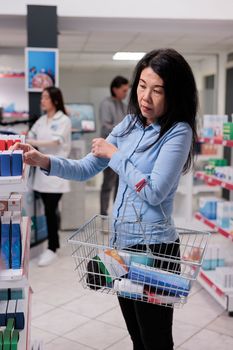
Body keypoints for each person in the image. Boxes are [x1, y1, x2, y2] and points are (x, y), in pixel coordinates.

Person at [13, 48, 197, 349]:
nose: (145, 98)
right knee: (138, 336)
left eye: (157, 90)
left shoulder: (178, 132)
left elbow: (154, 191)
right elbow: (87, 166)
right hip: (122, 247)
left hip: (155, 250)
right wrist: (44, 160)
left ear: (174, 93)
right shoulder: (130, 124)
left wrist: (116, 155)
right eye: (142, 86)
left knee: (157, 340)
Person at [26, 86, 71, 267]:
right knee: (47, 210)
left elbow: (55, 142)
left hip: (56, 173)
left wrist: (32, 143)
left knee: (51, 211)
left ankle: (53, 247)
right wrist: (31, 141)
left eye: (45, 97)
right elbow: (30, 135)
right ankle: (53, 245)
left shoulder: (64, 120)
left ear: (55, 100)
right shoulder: (41, 120)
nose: (42, 100)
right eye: (42, 97)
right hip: (42, 174)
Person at [99, 75, 129, 215]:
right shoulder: (106, 104)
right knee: (108, 184)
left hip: (122, 151)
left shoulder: (124, 106)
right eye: (124, 90)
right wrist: (123, 131)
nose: (126, 93)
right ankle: (104, 215)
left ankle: (117, 214)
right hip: (108, 150)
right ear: (114, 89)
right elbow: (106, 126)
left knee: (120, 183)